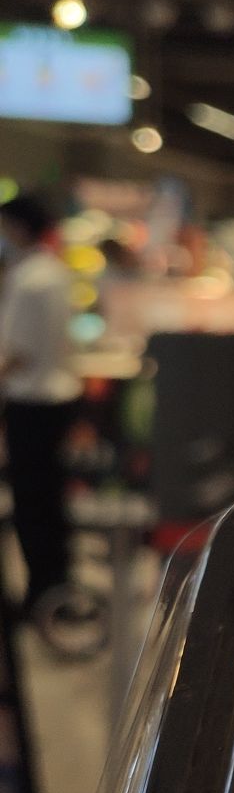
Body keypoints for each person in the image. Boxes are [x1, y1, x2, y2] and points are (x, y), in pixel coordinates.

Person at [0, 196, 80, 614]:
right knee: (50, 500)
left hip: (31, 402)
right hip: (57, 398)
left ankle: (42, 591)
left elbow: (17, 352)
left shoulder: (28, 278)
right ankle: (56, 586)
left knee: (33, 503)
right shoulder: (55, 272)